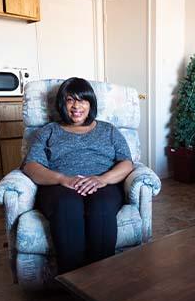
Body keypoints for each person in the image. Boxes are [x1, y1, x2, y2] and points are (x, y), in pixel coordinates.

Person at [22, 77, 133, 274]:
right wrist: (63, 179)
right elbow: (31, 166)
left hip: (103, 184)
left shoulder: (109, 130)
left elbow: (127, 163)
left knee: (102, 206)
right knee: (67, 206)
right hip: (59, 187)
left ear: (91, 104)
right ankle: (74, 288)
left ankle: (100, 283)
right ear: (61, 104)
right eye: (70, 100)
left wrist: (102, 179)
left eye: (82, 100)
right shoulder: (47, 131)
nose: (76, 106)